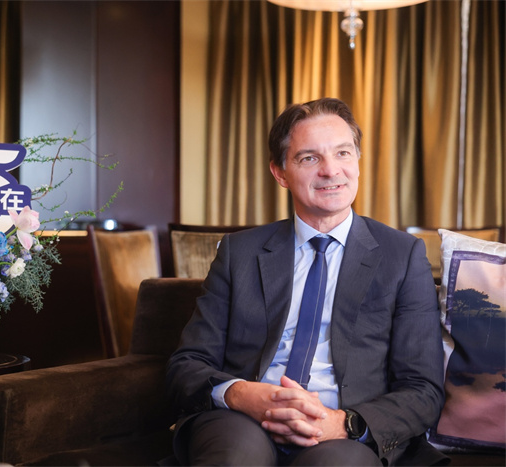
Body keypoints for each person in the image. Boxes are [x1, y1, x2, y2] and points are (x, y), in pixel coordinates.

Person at [166, 97, 448, 466]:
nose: (331, 170)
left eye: (343, 153)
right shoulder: (239, 253)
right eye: (309, 158)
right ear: (280, 173)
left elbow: (423, 390)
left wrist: (343, 423)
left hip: (345, 432)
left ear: (358, 161)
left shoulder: (402, 256)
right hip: (243, 421)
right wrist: (241, 394)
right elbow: (187, 365)